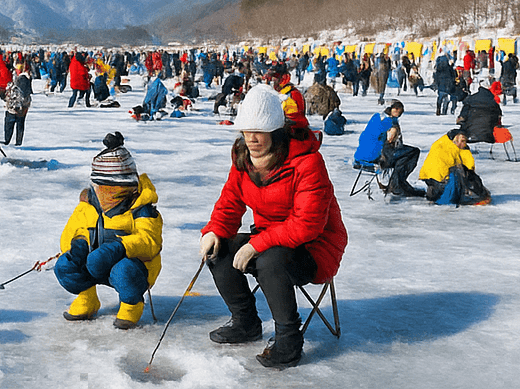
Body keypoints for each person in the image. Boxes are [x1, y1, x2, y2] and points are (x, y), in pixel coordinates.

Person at [198, 85, 347, 369]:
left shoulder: (307, 162)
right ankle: (246, 322)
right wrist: (214, 231)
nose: (252, 138)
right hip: (270, 239)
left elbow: (308, 224)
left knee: (270, 260)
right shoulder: (243, 159)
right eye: (246, 130)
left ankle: (289, 341)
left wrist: (256, 244)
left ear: (275, 129)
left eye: (260, 130)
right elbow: (230, 202)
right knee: (220, 251)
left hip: (316, 247)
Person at [54, 132, 162, 330]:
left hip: (132, 266)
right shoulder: (88, 205)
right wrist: (79, 243)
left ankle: (132, 305)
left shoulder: (142, 208)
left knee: (124, 271)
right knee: (65, 265)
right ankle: (87, 297)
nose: (110, 195)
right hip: (92, 261)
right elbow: (71, 230)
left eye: (117, 189)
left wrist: (119, 248)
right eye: (105, 189)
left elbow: (150, 242)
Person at [353, 101, 424, 197]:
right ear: (396, 110)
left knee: (404, 154)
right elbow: (390, 140)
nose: (399, 116)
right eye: (400, 113)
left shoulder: (377, 117)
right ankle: (397, 184)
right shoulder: (388, 122)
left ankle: (396, 183)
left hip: (362, 154)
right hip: (377, 154)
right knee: (412, 152)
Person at [419, 129, 491, 205]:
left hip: (437, 177)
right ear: (456, 139)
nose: (464, 144)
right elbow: (441, 166)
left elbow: (468, 160)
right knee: (456, 173)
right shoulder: (442, 147)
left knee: (463, 173)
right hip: (437, 177)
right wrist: (446, 179)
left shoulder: (457, 146)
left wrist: (470, 170)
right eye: (462, 141)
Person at [3, 64, 32, 146]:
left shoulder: (21, 79)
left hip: (16, 107)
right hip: (22, 106)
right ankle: (18, 142)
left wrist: (15, 105)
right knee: (20, 124)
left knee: (10, 124)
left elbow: (19, 94)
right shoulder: (24, 79)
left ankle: (8, 141)